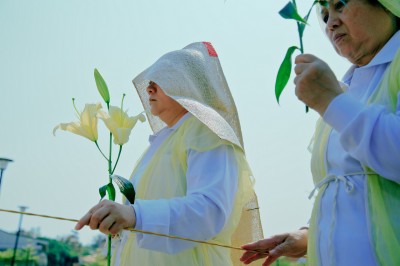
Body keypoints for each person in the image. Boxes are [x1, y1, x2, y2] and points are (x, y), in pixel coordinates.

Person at [240, 0, 400, 265]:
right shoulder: (346, 85)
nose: (331, 22)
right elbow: (352, 189)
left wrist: (331, 101)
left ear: (385, 4)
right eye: (325, 15)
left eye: (340, 5)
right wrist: (307, 235)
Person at [75, 42, 263, 266]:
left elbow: (208, 212)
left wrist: (134, 215)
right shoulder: (162, 143)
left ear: (186, 85)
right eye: (150, 83)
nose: (149, 89)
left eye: (159, 82)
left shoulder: (207, 132)